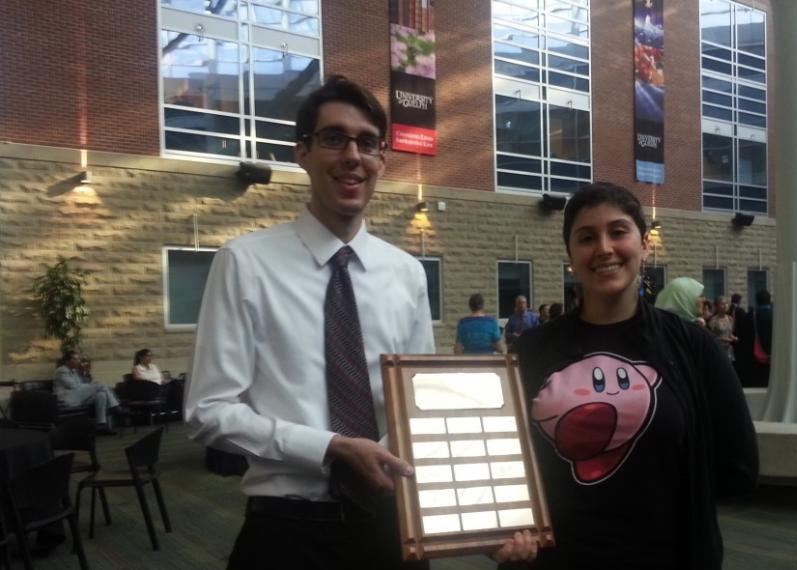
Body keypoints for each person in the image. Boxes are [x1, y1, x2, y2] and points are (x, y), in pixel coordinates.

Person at [185, 76, 536, 569]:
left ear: (381, 161)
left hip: (391, 529)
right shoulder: (245, 263)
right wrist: (330, 448)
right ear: (302, 152)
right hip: (287, 532)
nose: (353, 156)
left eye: (368, 143)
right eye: (334, 139)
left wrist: (484, 517)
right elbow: (209, 410)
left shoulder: (407, 273)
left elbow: (420, 410)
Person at [508, 183, 758, 569]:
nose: (604, 248)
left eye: (618, 231)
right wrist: (501, 528)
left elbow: (738, 467)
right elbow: (503, 458)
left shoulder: (693, 348)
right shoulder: (529, 352)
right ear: (571, 257)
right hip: (558, 560)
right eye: (587, 237)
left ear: (644, 245)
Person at [54, 350, 120, 435]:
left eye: (78, 359)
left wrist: (88, 378)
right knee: (100, 386)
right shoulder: (61, 371)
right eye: (75, 359)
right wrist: (92, 387)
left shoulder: (74, 371)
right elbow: (73, 386)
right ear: (67, 361)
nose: (78, 361)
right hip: (67, 399)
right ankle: (115, 406)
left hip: (77, 397)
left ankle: (101, 425)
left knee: (101, 394)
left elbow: (81, 384)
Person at [733, 289, 773, 388]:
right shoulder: (775, 316)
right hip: (771, 358)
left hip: (752, 358)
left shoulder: (748, 317)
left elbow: (741, 337)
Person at [707, 296, 737, 361]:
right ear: (717, 306)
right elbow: (710, 337)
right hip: (718, 349)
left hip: (728, 349)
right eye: (722, 304)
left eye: (726, 303)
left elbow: (730, 333)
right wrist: (722, 339)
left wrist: (733, 337)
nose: (725, 306)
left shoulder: (730, 319)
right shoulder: (713, 320)